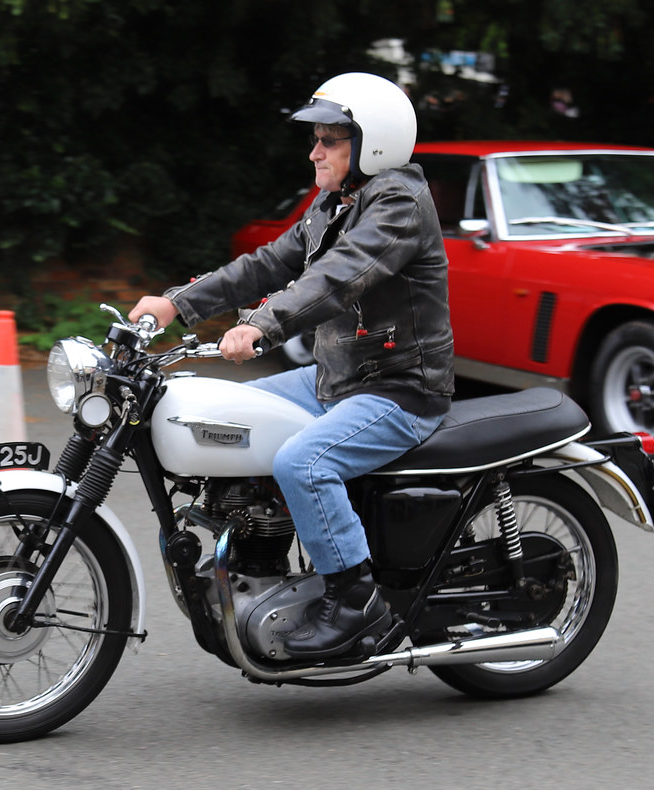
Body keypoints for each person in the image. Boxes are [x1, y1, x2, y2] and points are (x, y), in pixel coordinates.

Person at [129, 72, 454, 659]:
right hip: (336, 378)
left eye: (329, 139)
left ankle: (356, 600)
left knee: (302, 462)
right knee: (233, 418)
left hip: (400, 390)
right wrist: (177, 303)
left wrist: (262, 325)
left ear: (371, 143)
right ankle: (262, 556)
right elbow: (268, 263)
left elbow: (337, 278)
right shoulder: (336, 202)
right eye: (316, 139)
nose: (314, 151)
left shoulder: (399, 205)